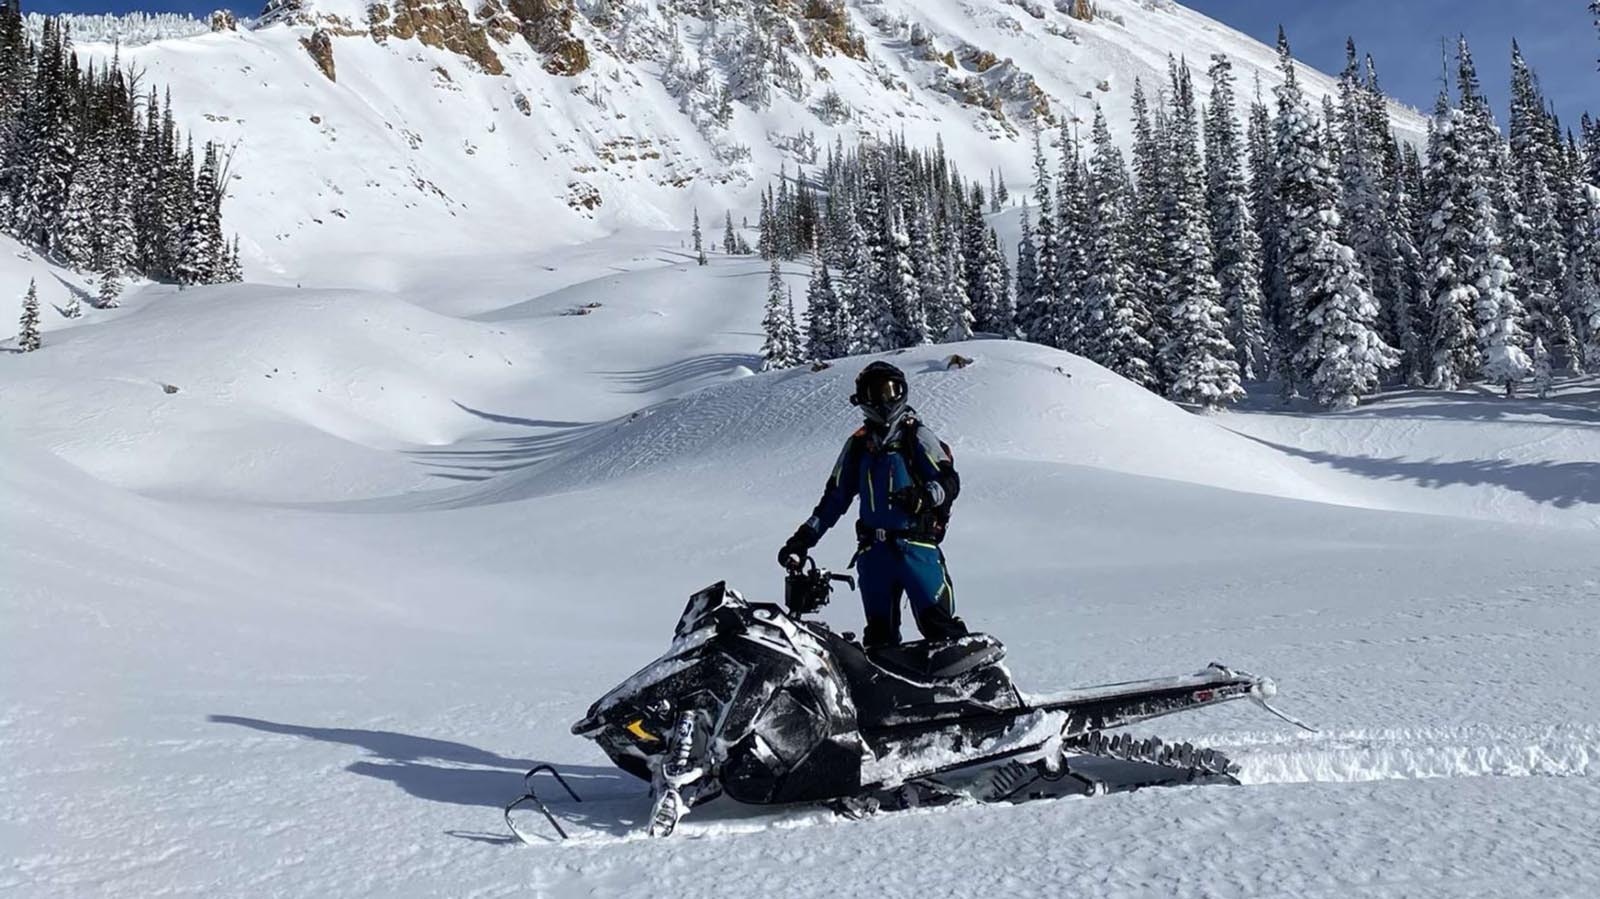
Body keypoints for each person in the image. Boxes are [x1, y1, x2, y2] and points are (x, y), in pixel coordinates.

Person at [778, 361, 968, 648]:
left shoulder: (916, 436)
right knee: (879, 639)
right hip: (874, 554)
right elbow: (833, 500)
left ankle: (970, 683)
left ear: (901, 392)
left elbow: (949, 481)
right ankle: (889, 692)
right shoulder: (857, 446)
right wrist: (803, 539)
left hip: (916, 547)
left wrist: (924, 497)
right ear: (861, 399)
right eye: (873, 393)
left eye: (889, 391)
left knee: (940, 628)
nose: (882, 400)